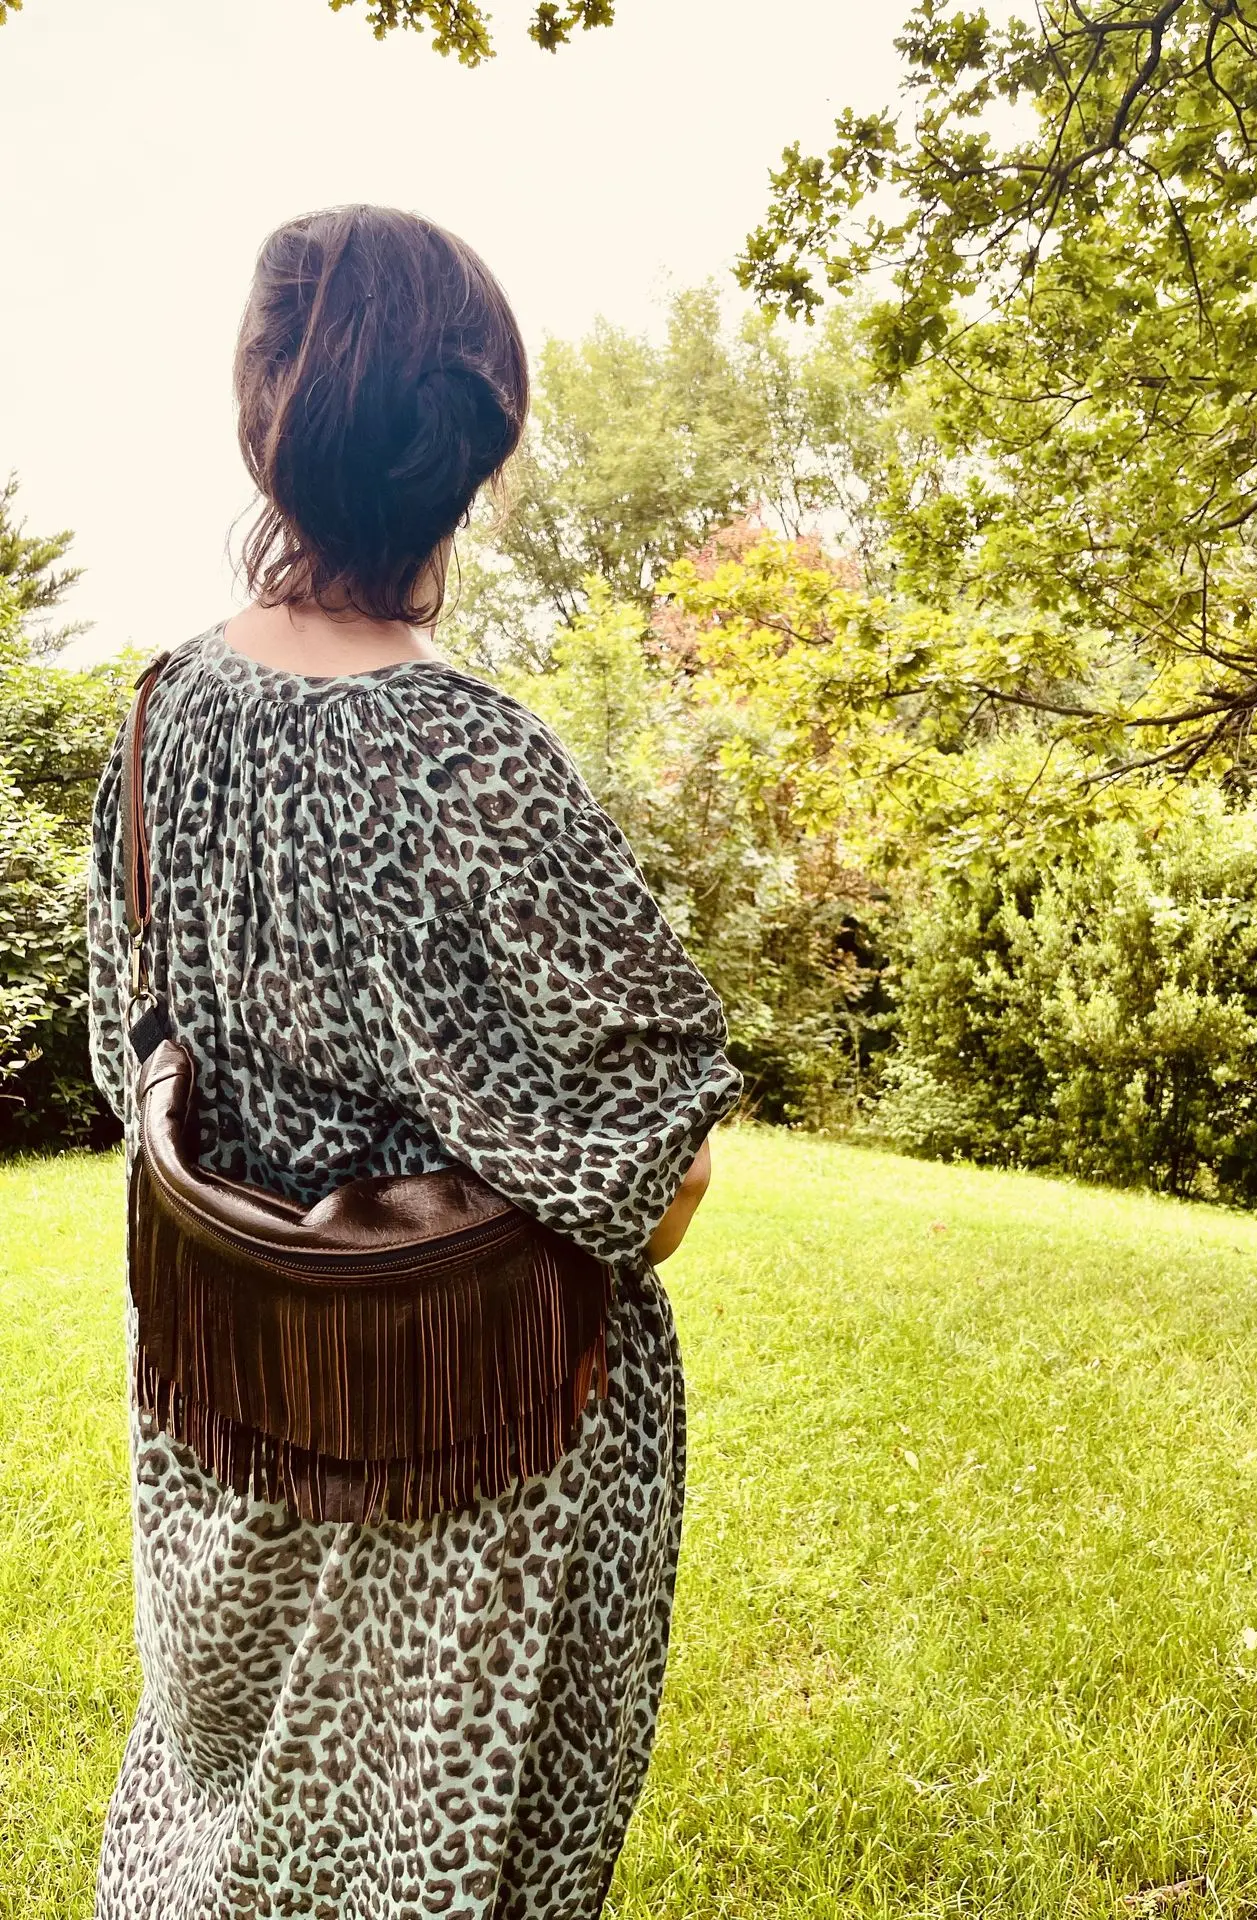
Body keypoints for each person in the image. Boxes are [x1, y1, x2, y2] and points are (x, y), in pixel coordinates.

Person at [85, 202, 742, 1919]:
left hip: (227, 1412)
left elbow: (124, 1053)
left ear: (263, 419)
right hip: (477, 1451)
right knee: (428, 1859)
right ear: (478, 447)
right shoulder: (482, 764)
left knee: (220, 1829)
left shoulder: (159, 716)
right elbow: (654, 1178)